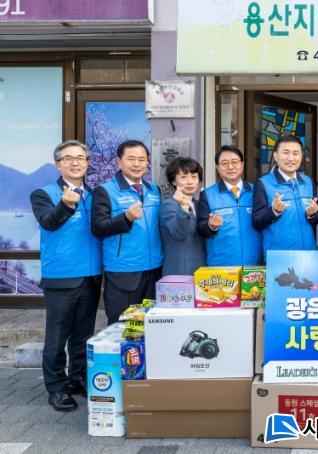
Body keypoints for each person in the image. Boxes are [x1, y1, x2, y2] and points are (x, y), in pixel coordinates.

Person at [30, 140, 102, 412]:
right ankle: (56, 387)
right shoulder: (43, 194)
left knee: (83, 334)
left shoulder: (94, 194)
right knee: (57, 337)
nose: (75, 163)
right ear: (58, 164)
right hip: (61, 277)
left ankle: (78, 378)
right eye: (68, 158)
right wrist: (65, 204)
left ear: (87, 163)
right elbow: (48, 222)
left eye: (80, 158)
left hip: (91, 275)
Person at [91, 140, 163, 325]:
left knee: (152, 327)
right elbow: (98, 228)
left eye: (142, 159)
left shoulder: (154, 190)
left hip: (154, 270)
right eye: (131, 159)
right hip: (124, 272)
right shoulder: (105, 191)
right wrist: (126, 218)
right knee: (123, 327)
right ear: (119, 161)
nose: (137, 164)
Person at [252, 135, 318, 252]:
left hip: (309, 254)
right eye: (286, 152)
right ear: (275, 156)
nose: (291, 158)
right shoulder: (263, 183)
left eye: (295, 153)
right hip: (279, 256)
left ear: (301, 156)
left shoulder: (308, 182)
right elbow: (256, 223)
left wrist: (313, 214)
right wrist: (274, 212)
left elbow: (316, 220)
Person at [197, 145, 262, 266]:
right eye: (224, 163)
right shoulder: (207, 194)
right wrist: (211, 226)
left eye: (235, 162)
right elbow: (201, 229)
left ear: (242, 164)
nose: (230, 167)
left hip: (255, 265)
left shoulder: (257, 191)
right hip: (221, 266)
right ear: (217, 167)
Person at [160, 157, 206, 275]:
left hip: (201, 270)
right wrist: (183, 207)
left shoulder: (199, 204)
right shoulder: (169, 205)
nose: (190, 182)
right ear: (174, 181)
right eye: (184, 177)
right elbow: (180, 233)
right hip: (179, 270)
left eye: (194, 177)